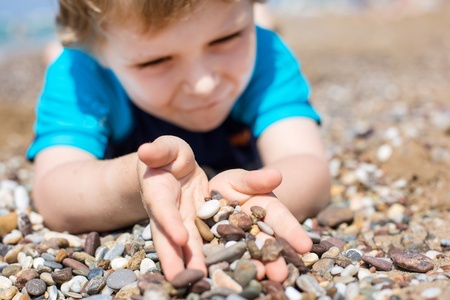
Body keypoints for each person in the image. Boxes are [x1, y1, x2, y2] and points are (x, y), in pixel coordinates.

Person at [28, 0, 331, 283]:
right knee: (62, 58)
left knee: (267, 35)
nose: (203, 84)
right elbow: (53, 188)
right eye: (155, 60)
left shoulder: (268, 57)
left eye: (225, 39)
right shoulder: (80, 75)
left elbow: (306, 162)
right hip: (89, 64)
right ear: (99, 50)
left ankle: (264, 18)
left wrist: (242, 202)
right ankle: (57, 46)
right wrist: (137, 180)